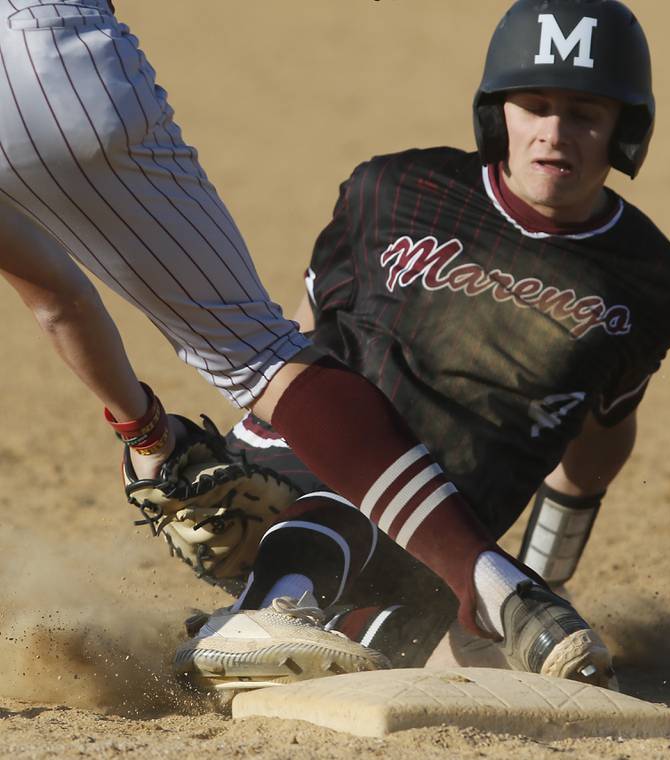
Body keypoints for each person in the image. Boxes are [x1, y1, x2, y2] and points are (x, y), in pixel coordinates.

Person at [0, 0, 602, 685]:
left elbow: (55, 299)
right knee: (261, 356)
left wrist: (149, 439)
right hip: (42, 60)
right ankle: (500, 590)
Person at [173, 0, 670, 690]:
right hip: (312, 464)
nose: (554, 133)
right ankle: (262, 611)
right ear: (495, 116)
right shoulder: (394, 193)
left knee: (423, 646)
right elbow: (300, 335)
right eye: (533, 105)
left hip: (450, 534)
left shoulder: (650, 280)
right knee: (341, 505)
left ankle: (307, 627)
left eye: (584, 113)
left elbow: (594, 451)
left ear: (625, 131)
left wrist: (541, 578)